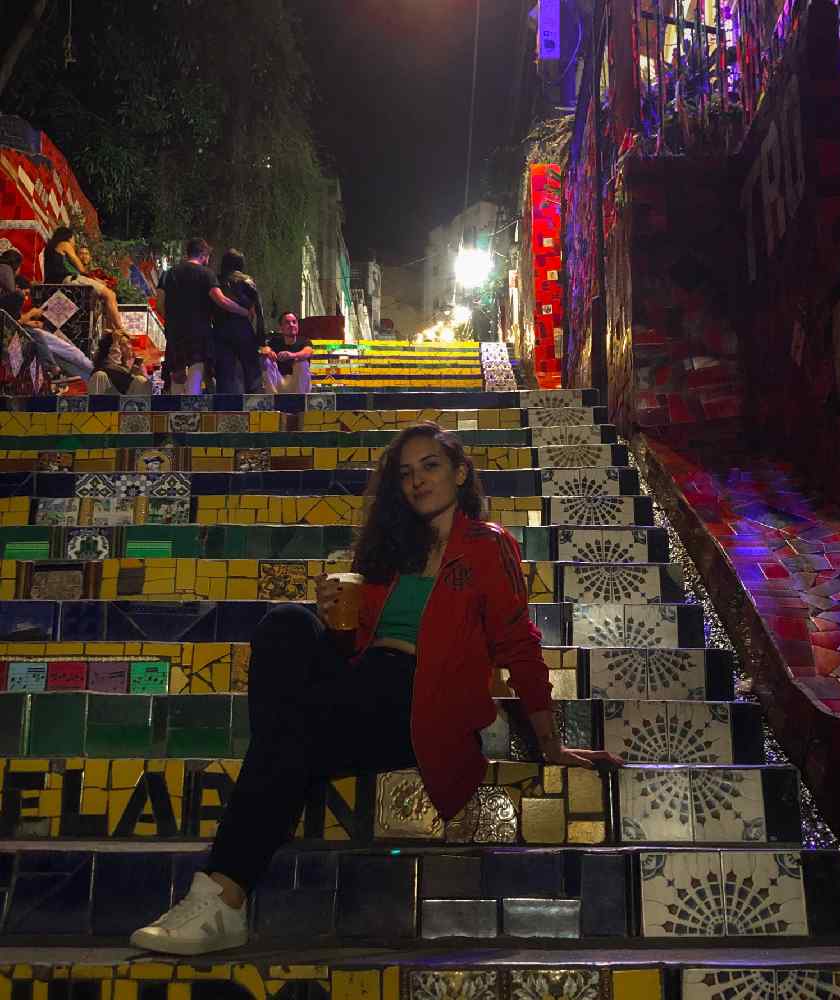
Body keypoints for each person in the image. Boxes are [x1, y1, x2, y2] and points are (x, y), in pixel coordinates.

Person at [130, 421, 622, 956]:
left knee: (290, 733)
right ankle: (225, 893)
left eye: (430, 465)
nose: (417, 481)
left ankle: (221, 894)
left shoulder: (487, 545)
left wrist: (550, 742)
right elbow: (350, 654)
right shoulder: (388, 553)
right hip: (365, 691)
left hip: (424, 704)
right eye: (406, 473)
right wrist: (335, 620)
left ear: (460, 473)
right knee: (286, 625)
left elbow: (519, 643)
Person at [156, 238, 252, 395]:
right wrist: (243, 311)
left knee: (177, 376)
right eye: (208, 257)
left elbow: (160, 303)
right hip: (198, 335)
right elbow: (221, 300)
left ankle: (175, 414)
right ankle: (191, 414)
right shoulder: (206, 274)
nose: (208, 260)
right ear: (203, 254)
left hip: (174, 334)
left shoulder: (168, 274)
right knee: (195, 374)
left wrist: (173, 320)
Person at [0, 246, 93, 384]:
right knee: (68, 352)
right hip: (25, 330)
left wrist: (31, 321)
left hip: (28, 328)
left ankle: (88, 377)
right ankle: (63, 371)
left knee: (66, 354)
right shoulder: (11, 289)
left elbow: (15, 320)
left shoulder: (10, 290)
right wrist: (31, 314)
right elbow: (13, 321)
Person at [42, 227, 125, 332]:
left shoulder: (51, 248)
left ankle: (110, 330)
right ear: (69, 237)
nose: (74, 243)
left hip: (57, 282)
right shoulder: (65, 244)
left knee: (98, 298)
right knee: (110, 295)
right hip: (68, 280)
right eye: (74, 240)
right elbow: (81, 269)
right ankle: (120, 330)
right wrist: (97, 280)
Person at [213, 249, 264, 394]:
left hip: (220, 328)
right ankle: (254, 403)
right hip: (242, 327)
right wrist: (261, 338)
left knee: (224, 371)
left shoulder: (216, 281)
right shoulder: (247, 280)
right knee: (251, 369)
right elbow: (259, 310)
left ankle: (226, 407)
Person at [260, 311, 313, 393]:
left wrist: (292, 355)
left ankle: (300, 400)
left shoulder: (304, 341)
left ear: (298, 325)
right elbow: (264, 349)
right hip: (279, 383)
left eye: (294, 322)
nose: (292, 325)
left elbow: (308, 352)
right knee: (267, 361)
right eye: (287, 323)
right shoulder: (275, 341)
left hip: (297, 384)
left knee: (302, 362)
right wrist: (268, 351)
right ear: (281, 327)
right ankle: (273, 398)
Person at [88, 329, 150, 395]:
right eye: (123, 344)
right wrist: (115, 342)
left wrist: (137, 375)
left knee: (140, 380)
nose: (129, 347)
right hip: (106, 400)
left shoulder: (132, 365)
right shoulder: (105, 366)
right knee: (99, 375)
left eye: (128, 343)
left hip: (127, 402)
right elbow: (113, 365)